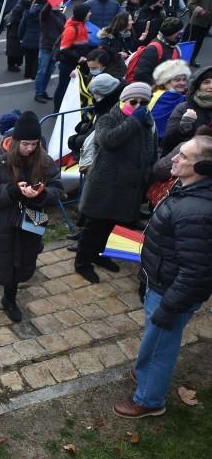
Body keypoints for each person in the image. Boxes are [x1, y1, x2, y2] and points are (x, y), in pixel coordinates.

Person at [114, 136, 212, 418]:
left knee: (160, 345)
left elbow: (197, 271)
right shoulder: (188, 191)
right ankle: (144, 372)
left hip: (170, 292)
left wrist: (169, 306)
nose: (174, 159)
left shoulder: (197, 212)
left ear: (202, 168)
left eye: (182, 156)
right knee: (154, 338)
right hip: (160, 281)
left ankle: (149, 400)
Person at [0, 112, 62, 322]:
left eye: (34, 144)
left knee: (20, 261)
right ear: (15, 141)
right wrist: (12, 191)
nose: (30, 149)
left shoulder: (44, 161)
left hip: (32, 219)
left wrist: (41, 195)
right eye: (25, 144)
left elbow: (57, 189)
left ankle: (10, 299)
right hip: (0, 222)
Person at [74, 82, 158, 283]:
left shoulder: (147, 121)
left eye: (143, 102)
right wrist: (134, 122)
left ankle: (99, 255)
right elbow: (108, 141)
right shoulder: (108, 118)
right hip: (105, 186)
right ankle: (82, 262)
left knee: (111, 226)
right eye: (133, 101)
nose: (138, 106)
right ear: (123, 101)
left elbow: (151, 148)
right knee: (94, 227)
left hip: (127, 187)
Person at [53, 3, 92, 112]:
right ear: (82, 14)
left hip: (79, 63)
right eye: (88, 11)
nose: (90, 13)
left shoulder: (82, 25)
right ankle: (58, 110)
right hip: (69, 64)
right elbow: (64, 49)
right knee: (63, 87)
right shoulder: (71, 29)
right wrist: (78, 57)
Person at [164, 66, 212, 154]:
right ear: (197, 85)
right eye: (206, 82)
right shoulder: (184, 108)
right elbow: (168, 142)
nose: (211, 86)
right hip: (184, 159)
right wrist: (183, 127)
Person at [149, 60, 191, 145]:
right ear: (166, 82)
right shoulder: (156, 96)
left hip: (166, 140)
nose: (182, 83)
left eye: (184, 79)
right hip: (150, 137)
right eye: (177, 80)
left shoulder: (182, 97)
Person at [132, 17, 183, 85]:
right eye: (179, 32)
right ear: (171, 33)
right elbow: (140, 75)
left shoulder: (171, 46)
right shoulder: (153, 49)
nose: (181, 34)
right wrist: (160, 86)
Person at [34, 1, 66, 103]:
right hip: (46, 47)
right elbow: (44, 11)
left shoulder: (62, 16)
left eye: (59, 2)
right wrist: (50, 1)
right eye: (55, 2)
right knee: (42, 72)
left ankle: (43, 91)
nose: (57, 3)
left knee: (49, 72)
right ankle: (38, 93)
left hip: (56, 49)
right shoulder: (46, 14)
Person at [186, 0, 212, 67]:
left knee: (199, 43)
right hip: (196, 22)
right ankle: (184, 59)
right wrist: (200, 10)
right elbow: (190, 4)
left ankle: (192, 59)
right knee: (190, 41)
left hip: (207, 23)